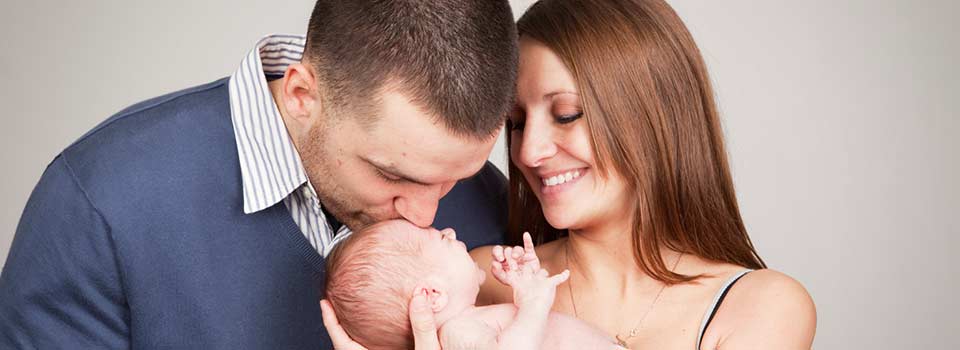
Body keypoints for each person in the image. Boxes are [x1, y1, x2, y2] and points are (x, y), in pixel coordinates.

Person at [0, 1, 518, 348]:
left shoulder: (489, 201)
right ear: (301, 96)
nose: (428, 215)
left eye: (454, 179)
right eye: (390, 175)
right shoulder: (100, 203)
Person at [468, 0, 818, 349]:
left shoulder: (761, 307)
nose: (529, 152)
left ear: (652, 118)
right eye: (517, 122)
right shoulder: (481, 280)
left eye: (566, 114)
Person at [324, 220, 619, 350]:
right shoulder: (458, 333)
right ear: (433, 295)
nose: (451, 231)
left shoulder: (473, 321)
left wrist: (522, 282)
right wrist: (532, 305)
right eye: (441, 238)